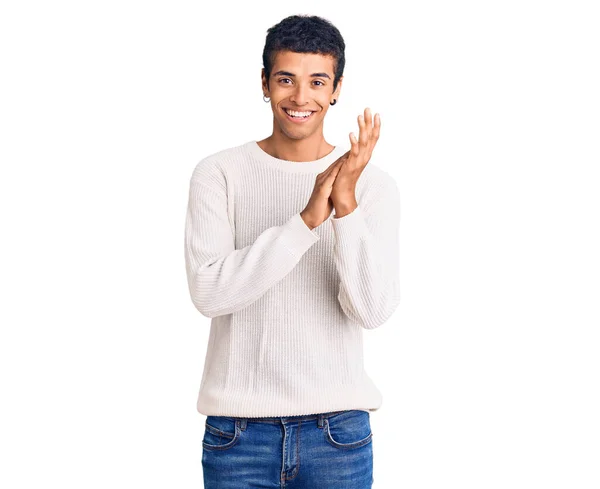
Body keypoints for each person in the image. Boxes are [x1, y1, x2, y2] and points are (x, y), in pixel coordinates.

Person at [184, 14, 400, 489]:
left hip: (337, 435)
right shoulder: (218, 173)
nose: (301, 98)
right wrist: (305, 222)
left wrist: (344, 207)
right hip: (237, 436)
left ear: (336, 88)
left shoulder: (374, 188)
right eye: (286, 79)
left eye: (317, 81)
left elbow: (371, 310)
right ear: (265, 83)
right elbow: (209, 293)